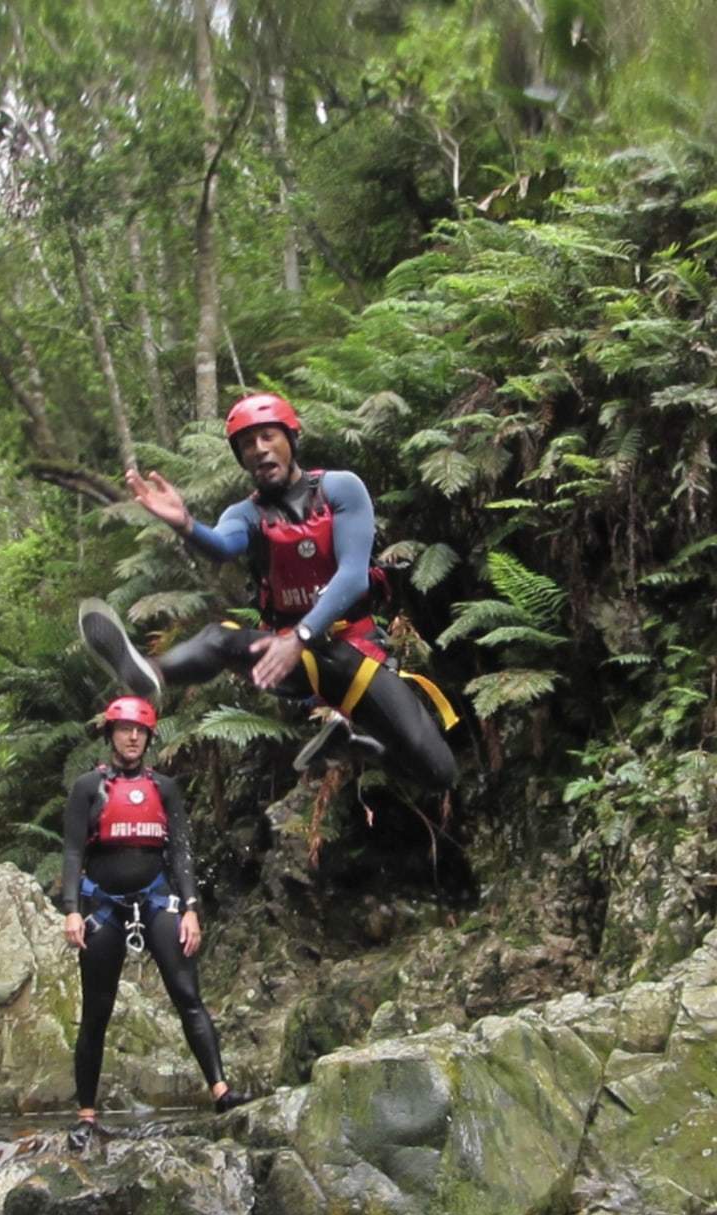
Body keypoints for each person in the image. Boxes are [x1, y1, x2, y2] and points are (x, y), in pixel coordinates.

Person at [79, 391, 457, 791]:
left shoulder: (340, 490)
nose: (258, 450)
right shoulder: (245, 514)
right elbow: (223, 546)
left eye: (267, 437)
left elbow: (352, 576)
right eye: (246, 444)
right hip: (285, 657)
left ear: (291, 439)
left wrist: (302, 636)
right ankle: (149, 672)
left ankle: (355, 746)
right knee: (218, 639)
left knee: (440, 773)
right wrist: (185, 524)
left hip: (352, 652)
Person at [61, 695, 246, 1151]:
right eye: (124, 730)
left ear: (148, 738)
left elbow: (180, 851)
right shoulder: (88, 787)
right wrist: (70, 909)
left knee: (187, 995)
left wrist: (190, 909)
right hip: (102, 906)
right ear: (110, 735)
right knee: (96, 1012)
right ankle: (87, 1114)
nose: (131, 738)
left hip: (158, 901)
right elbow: (72, 852)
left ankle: (220, 1090)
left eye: (139, 731)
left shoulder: (165, 789)